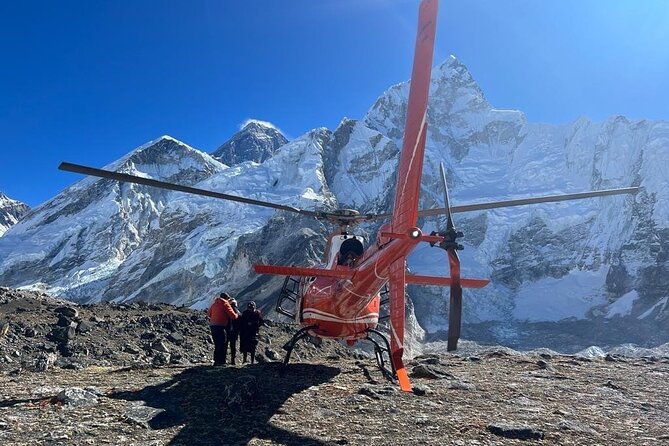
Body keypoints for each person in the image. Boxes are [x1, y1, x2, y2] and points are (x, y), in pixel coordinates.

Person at [207, 292, 238, 366]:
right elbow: (233, 316)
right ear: (226, 298)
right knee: (223, 343)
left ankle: (216, 360)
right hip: (221, 326)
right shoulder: (225, 304)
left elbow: (208, 314)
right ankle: (221, 361)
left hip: (213, 326)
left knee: (217, 343)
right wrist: (237, 315)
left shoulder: (214, 304)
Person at [226, 297, 242, 365]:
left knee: (225, 345)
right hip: (235, 331)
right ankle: (233, 360)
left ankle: (223, 359)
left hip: (227, 330)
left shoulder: (227, 311)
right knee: (233, 346)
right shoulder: (238, 312)